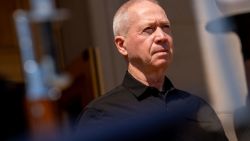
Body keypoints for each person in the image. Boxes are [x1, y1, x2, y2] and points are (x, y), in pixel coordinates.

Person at [74, 0, 229, 140]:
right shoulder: (101, 115)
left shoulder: (197, 107)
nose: (162, 37)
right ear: (122, 45)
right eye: (148, 29)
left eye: (165, 27)